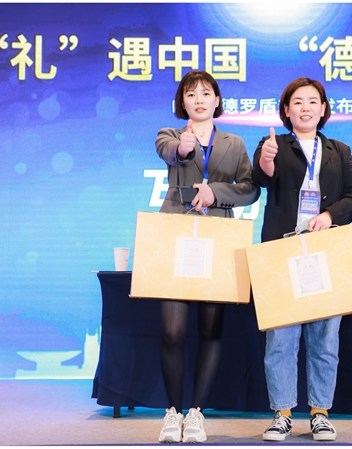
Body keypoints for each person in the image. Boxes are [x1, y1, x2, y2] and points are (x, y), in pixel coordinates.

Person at [251, 77, 352, 442]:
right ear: (286, 110)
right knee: (281, 339)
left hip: (325, 251)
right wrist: (266, 160)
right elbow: (261, 179)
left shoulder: (339, 150)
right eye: (297, 102)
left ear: (323, 108)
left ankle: (320, 413)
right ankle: (282, 414)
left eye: (313, 101)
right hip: (281, 251)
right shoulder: (273, 144)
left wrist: (329, 215)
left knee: (325, 338)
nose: (305, 108)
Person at [149, 70, 257, 444]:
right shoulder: (170, 134)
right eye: (191, 93)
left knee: (211, 329)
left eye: (206, 93)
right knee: (172, 330)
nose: (199, 99)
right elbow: (170, 151)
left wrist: (216, 192)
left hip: (219, 238)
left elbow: (250, 189)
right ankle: (172, 412)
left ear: (217, 101)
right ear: (183, 102)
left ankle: (196, 413)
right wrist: (183, 148)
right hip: (176, 233)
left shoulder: (234, 143)